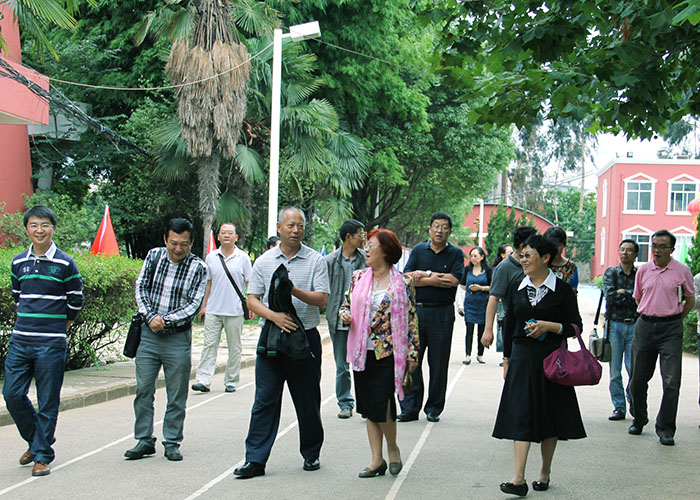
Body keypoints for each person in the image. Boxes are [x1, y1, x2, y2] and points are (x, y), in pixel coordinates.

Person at [234, 207, 329, 479]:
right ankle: (255, 460)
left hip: (305, 339)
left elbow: (322, 299)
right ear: (279, 227)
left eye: (300, 225)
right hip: (272, 339)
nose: (296, 230)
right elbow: (252, 299)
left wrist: (293, 289)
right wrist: (275, 316)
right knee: (264, 400)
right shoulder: (263, 261)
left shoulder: (314, 260)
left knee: (307, 400)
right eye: (290, 225)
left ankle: (311, 453)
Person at [492, 234, 585, 497]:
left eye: (528, 255)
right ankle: (518, 479)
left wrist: (549, 326)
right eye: (521, 255)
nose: (523, 260)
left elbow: (575, 326)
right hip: (521, 357)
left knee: (550, 415)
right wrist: (507, 359)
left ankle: (544, 471)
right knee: (520, 413)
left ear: (545, 258)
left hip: (550, 358)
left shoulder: (563, 291)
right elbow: (509, 324)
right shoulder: (517, 287)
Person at [3, 206, 84, 477]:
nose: (40, 230)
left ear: (53, 228)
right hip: (21, 341)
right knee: (12, 394)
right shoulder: (18, 262)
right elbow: (18, 294)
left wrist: (62, 325)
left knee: (48, 400)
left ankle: (41, 455)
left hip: (51, 344)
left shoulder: (65, 263)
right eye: (34, 225)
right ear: (26, 229)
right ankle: (39, 441)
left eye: (45, 225)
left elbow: (76, 298)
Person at [125, 218, 207, 462]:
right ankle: (143, 440)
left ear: (192, 242)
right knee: (143, 390)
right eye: (173, 243)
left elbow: (193, 304)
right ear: (165, 240)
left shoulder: (199, 268)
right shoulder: (154, 257)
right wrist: (151, 317)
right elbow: (141, 287)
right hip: (148, 335)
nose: (178, 249)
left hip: (177, 338)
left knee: (176, 393)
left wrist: (165, 320)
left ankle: (172, 441)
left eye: (184, 244)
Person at [339, 229, 419, 477]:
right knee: (367, 406)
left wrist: (413, 353)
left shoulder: (404, 282)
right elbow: (345, 303)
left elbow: (412, 318)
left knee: (383, 403)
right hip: (362, 350)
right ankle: (377, 459)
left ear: (385, 250)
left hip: (389, 352)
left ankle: (392, 449)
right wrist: (344, 314)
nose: (366, 250)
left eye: (371, 245)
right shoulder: (358, 277)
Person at [629, 229, 695, 446]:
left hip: (671, 329)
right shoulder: (644, 270)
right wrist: (651, 313)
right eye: (654, 245)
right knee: (638, 379)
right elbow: (638, 298)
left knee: (672, 381)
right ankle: (639, 418)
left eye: (662, 246)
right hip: (645, 327)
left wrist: (675, 317)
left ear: (672, 249)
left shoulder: (682, 271)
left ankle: (666, 429)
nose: (656, 250)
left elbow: (689, 300)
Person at [397, 212, 464, 423]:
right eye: (436, 226)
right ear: (430, 229)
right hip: (416, 311)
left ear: (449, 231)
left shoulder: (455, 253)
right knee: (411, 359)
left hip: (442, 313)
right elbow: (407, 278)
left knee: (439, 362)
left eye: (444, 227)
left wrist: (422, 276)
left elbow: (453, 280)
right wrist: (432, 277)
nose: (440, 230)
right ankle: (409, 408)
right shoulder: (418, 250)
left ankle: (434, 407)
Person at [192, 223, 252, 394]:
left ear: (236, 237)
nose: (226, 235)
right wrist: (203, 306)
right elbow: (208, 284)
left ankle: (231, 380)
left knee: (235, 347)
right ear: (218, 236)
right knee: (209, 345)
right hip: (213, 309)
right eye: (223, 233)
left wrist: (252, 305)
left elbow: (250, 284)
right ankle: (203, 380)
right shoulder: (211, 257)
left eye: (230, 233)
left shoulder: (243, 258)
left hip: (234, 310)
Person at [325, 219, 366, 419]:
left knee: (364, 363)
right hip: (338, 320)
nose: (363, 237)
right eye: (360, 234)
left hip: (363, 322)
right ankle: (345, 402)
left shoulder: (366, 260)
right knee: (342, 365)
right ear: (349, 237)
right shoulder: (330, 261)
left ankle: (366, 403)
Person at [482, 226, 538, 375]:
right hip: (515, 327)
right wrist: (488, 330)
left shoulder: (537, 264)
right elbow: (493, 298)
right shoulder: (504, 268)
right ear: (522, 246)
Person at [602, 239, 640, 421]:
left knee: (633, 369)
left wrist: (623, 292)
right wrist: (630, 294)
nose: (625, 253)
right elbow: (610, 297)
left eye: (629, 250)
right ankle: (619, 407)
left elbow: (643, 297)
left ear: (636, 254)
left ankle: (634, 403)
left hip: (634, 325)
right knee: (615, 370)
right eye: (622, 249)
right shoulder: (611, 273)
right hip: (615, 325)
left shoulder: (640, 274)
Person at [458, 246, 492, 365]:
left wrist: (481, 288)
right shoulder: (467, 270)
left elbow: (493, 287)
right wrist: (460, 305)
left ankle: (480, 354)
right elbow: (461, 288)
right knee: (469, 330)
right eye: (471, 256)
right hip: (470, 303)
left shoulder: (488, 270)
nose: (473, 258)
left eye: (475, 256)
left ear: (482, 257)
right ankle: (467, 355)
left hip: (483, 302)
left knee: (481, 330)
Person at [493, 244, 514, 359]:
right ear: (502, 255)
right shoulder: (499, 269)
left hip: (511, 304)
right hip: (501, 303)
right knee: (502, 328)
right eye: (509, 252)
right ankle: (505, 355)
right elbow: (494, 292)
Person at [543, 226, 578, 293]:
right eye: (552, 246)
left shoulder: (571, 267)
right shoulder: (541, 264)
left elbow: (573, 292)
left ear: (564, 244)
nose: (555, 249)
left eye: (558, 245)